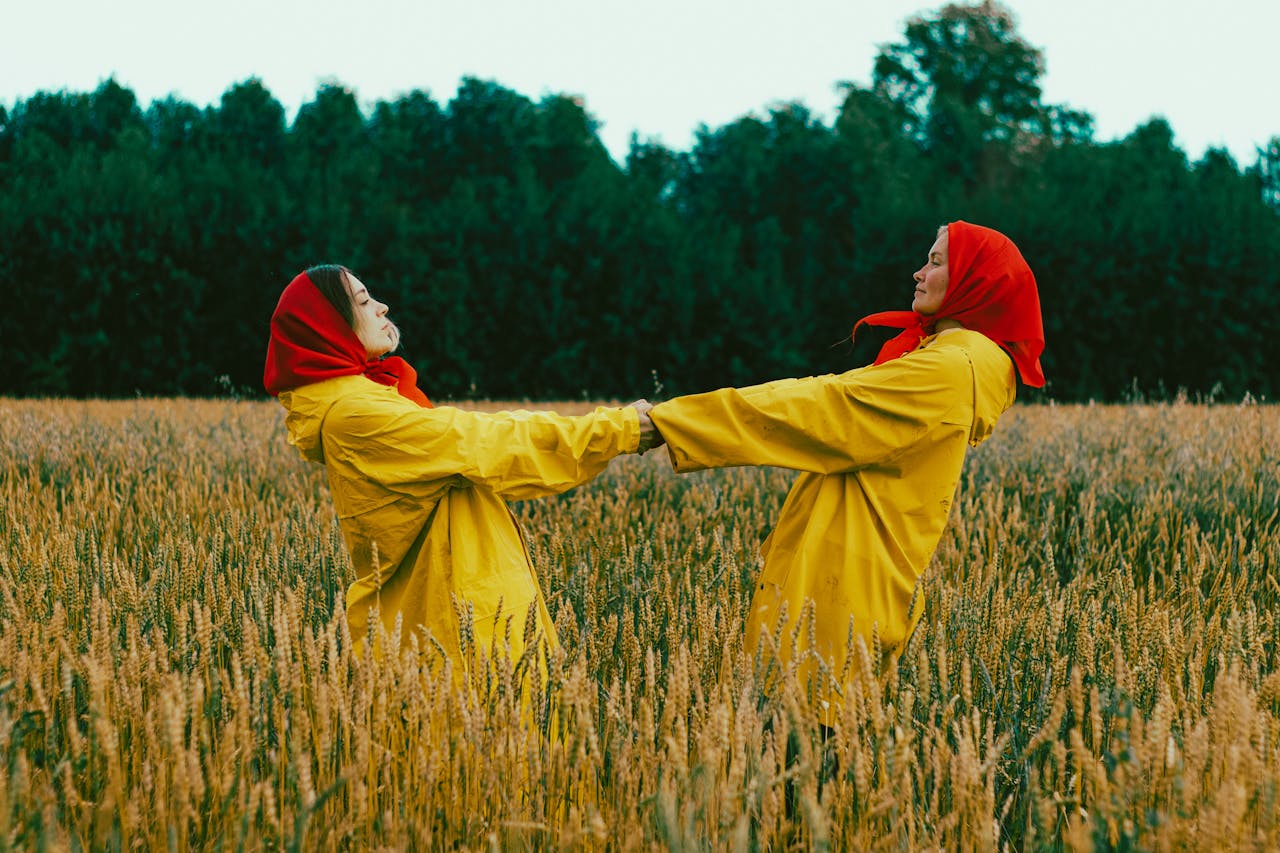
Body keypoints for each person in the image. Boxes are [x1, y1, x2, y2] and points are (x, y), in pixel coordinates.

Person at [647, 221, 1044, 724]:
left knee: (804, 759)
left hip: (840, 595)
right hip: (835, 581)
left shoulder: (946, 370)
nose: (918, 273)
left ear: (975, 282)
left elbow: (825, 406)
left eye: (937, 262)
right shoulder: (935, 359)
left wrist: (674, 421)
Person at [263, 264, 661, 676]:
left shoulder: (369, 402)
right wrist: (620, 429)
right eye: (363, 301)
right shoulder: (356, 415)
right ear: (328, 328)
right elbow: (489, 441)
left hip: (458, 611)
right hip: (453, 627)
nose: (382, 307)